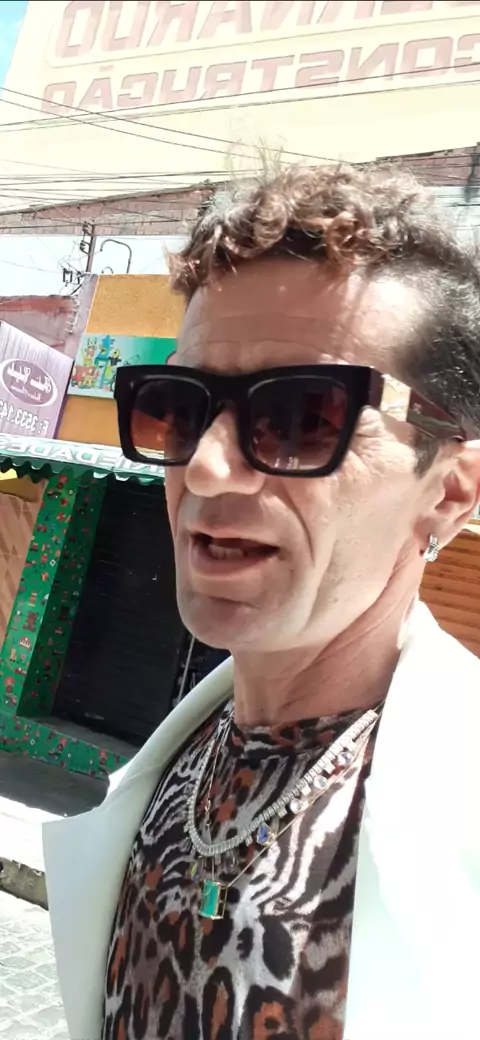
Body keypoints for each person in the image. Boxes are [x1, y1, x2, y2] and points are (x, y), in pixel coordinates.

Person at [44, 164, 480, 1040]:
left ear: (450, 490)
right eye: (179, 408)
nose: (205, 468)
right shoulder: (175, 763)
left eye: (303, 416)